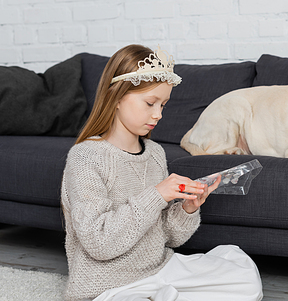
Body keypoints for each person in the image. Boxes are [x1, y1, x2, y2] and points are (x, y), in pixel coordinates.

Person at [61, 44, 263, 301]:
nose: (157, 114)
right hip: (111, 284)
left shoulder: (154, 153)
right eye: (149, 103)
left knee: (245, 278)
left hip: (160, 269)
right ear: (117, 97)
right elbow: (99, 242)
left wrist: (188, 209)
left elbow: (168, 237)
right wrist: (157, 195)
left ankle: (167, 295)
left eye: (163, 105)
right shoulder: (86, 157)